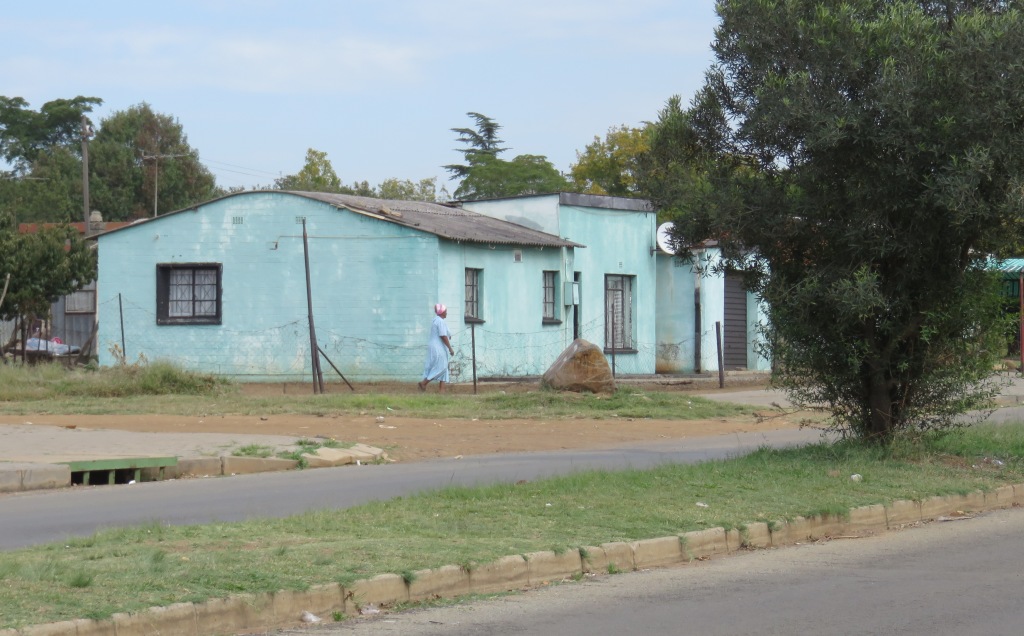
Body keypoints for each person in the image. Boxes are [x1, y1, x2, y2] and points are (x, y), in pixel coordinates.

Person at [418, 303, 455, 393]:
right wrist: (450, 348)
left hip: (437, 346)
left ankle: (442, 390)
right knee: (441, 367)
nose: (447, 313)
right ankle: (424, 383)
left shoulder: (436, 320)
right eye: (445, 311)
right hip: (438, 347)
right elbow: (443, 335)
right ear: (442, 312)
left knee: (443, 366)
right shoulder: (440, 321)